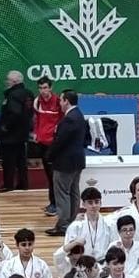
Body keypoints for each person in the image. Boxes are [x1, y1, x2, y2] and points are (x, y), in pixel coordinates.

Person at [46, 90, 88, 236]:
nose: (59, 103)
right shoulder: (80, 115)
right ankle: (72, 222)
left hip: (65, 162)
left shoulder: (69, 119)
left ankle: (63, 225)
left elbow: (60, 142)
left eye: (61, 100)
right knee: (74, 191)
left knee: (63, 193)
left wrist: (49, 155)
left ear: (66, 101)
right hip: (77, 160)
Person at [0, 70, 35, 193]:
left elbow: (15, 113)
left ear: (14, 82)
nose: (6, 82)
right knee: (21, 160)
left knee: (8, 160)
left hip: (11, 134)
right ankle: (23, 183)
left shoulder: (12, 95)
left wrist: (5, 126)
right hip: (23, 132)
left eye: (8, 80)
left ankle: (8, 184)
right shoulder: (29, 93)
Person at [33, 77, 62, 216]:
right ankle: (52, 203)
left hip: (54, 145)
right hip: (42, 143)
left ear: (50, 88)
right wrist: (36, 134)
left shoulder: (58, 102)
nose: (43, 91)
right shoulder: (37, 101)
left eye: (45, 88)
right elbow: (37, 119)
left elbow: (62, 121)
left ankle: (56, 204)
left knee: (54, 175)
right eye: (40, 88)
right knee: (49, 176)